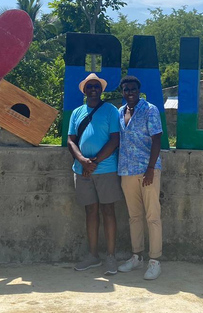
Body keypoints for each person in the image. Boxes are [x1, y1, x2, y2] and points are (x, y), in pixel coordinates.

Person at [67, 73, 122, 275]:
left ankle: (110, 256)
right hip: (82, 170)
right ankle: (92, 255)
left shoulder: (110, 111)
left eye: (96, 87)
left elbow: (114, 140)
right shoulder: (77, 113)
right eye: (89, 86)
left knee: (108, 211)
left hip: (106, 169)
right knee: (90, 212)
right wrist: (82, 161)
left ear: (101, 90)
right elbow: (71, 140)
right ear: (84, 90)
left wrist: (95, 162)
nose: (93, 89)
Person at [115, 76, 164, 280]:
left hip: (147, 171)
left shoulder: (150, 110)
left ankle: (154, 260)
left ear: (139, 90)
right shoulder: (120, 111)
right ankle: (137, 256)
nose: (130, 93)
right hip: (127, 171)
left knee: (152, 216)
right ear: (122, 92)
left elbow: (157, 139)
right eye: (126, 90)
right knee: (134, 216)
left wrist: (151, 168)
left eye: (133, 89)